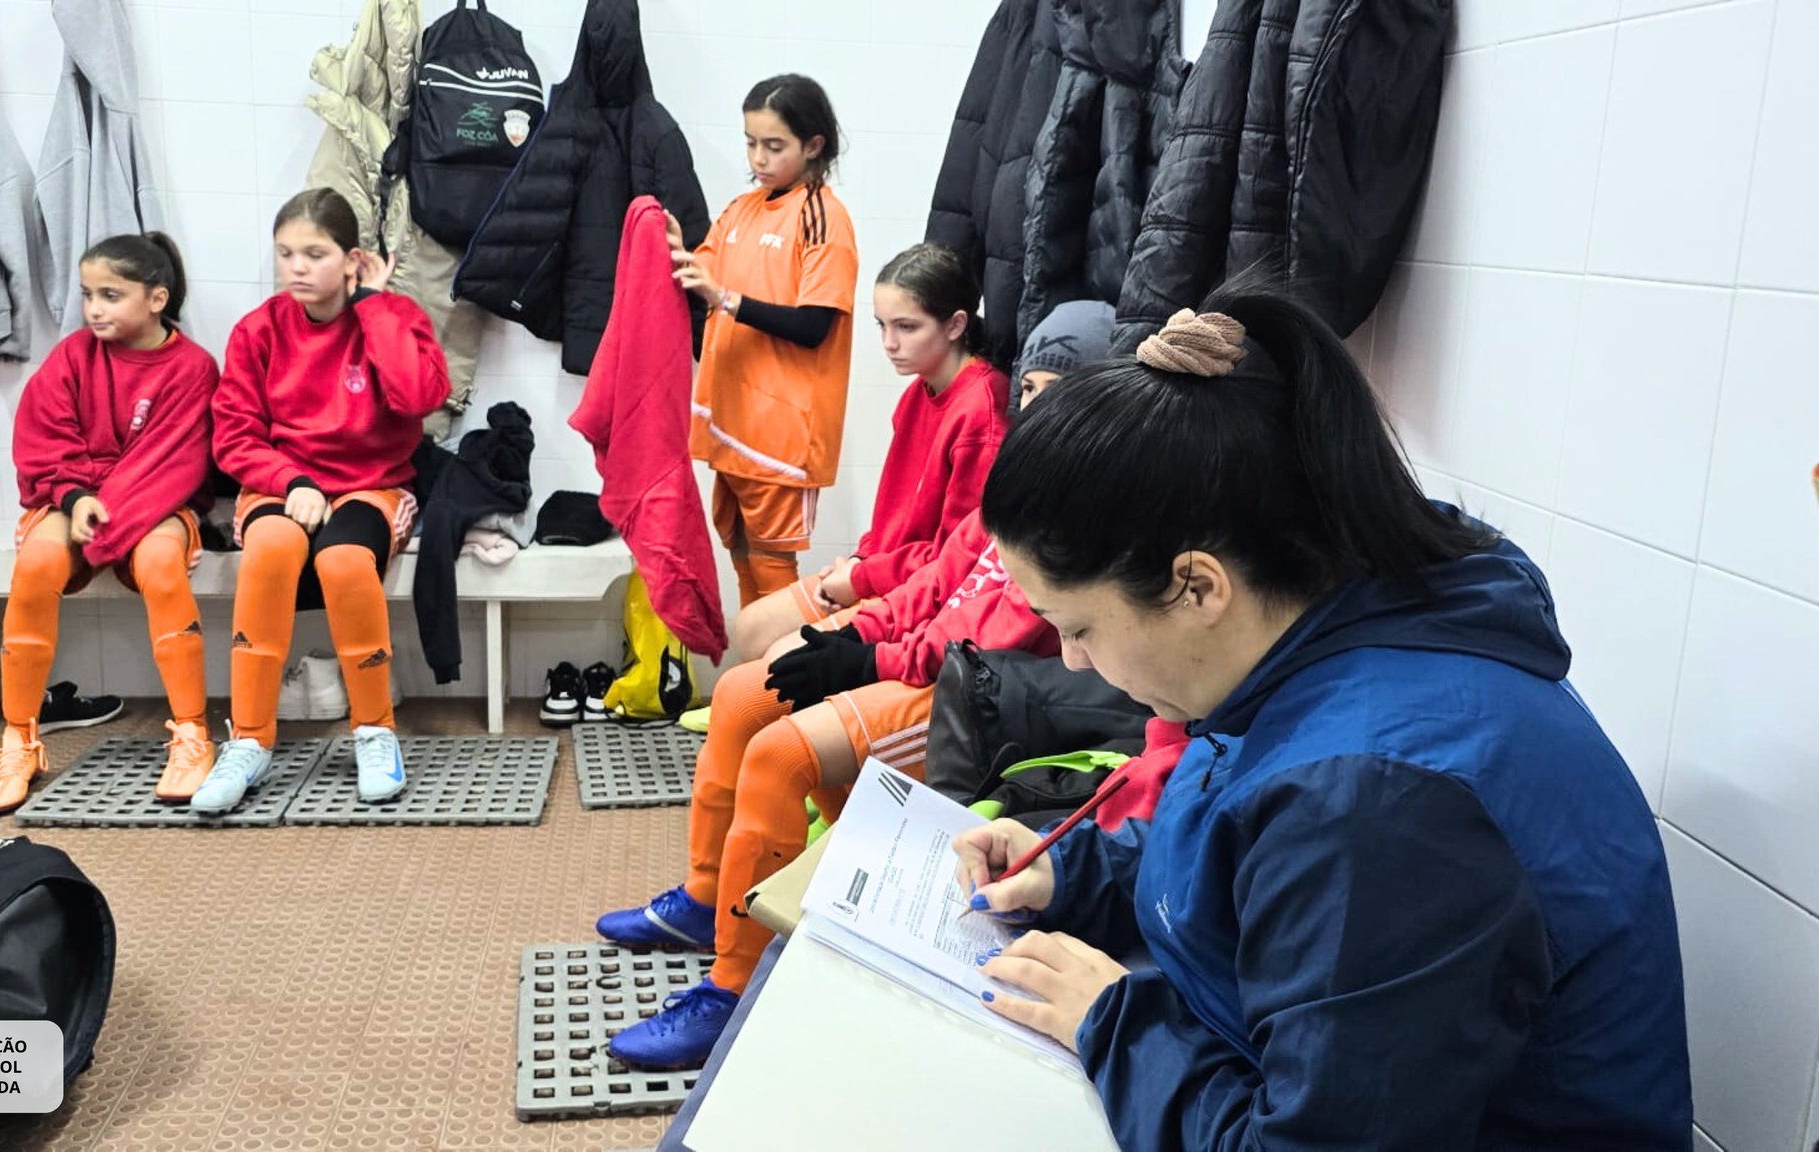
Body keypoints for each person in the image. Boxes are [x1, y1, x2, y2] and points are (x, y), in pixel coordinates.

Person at [953, 278, 1691, 1149]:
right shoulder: (1329, 640)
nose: (1073, 660)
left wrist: (1111, 1021)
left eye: (1079, 628)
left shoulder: (1379, 803)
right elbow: (1250, 843)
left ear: (1197, 587)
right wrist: (1077, 878)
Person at [589, 305, 1123, 1071]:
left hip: (959, 694)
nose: (1031, 408)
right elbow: (940, 578)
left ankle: (733, 987)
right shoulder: (1022, 481)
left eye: (1050, 391)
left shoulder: (1091, 512)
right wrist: (854, 637)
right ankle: (712, 899)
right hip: (918, 657)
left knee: (778, 760)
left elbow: (989, 642)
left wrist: (871, 661)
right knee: (743, 693)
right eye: (1028, 391)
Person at [192, 188, 450, 815]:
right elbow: (233, 437)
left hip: (371, 485)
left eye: (314, 253)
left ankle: (374, 731)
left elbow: (421, 398)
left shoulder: (394, 317)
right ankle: (249, 740)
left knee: (342, 563)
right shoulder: (258, 331)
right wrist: (292, 481)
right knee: (270, 553)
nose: (298, 267)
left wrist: (377, 305)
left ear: (352, 259)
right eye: (286, 254)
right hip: (283, 486)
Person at [0, 233, 218, 814]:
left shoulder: (193, 368)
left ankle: (192, 733)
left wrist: (109, 520)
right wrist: (75, 496)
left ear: (157, 297)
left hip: (152, 504)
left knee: (161, 565)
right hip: (77, 499)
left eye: (111, 294)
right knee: (35, 564)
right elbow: (42, 440)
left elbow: (175, 462)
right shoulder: (72, 356)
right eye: (88, 295)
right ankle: (19, 739)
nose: (94, 309)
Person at [729, 242, 1006, 663]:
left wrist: (860, 577)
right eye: (882, 326)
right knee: (750, 629)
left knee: (779, 662)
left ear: (955, 326)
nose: (889, 343)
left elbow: (955, 561)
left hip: (922, 597)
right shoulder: (918, 393)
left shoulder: (981, 412)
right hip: (882, 573)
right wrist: (860, 560)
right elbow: (892, 517)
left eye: (906, 327)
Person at [676, 74, 858, 610]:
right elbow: (698, 272)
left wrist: (725, 298)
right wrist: (665, 245)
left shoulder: (823, 216)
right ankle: (750, 683)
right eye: (751, 142)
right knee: (741, 554)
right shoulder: (741, 208)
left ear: (813, 146)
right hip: (730, 424)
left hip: (782, 433)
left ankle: (778, 691)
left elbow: (813, 326)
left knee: (774, 567)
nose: (758, 157)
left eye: (774, 145)